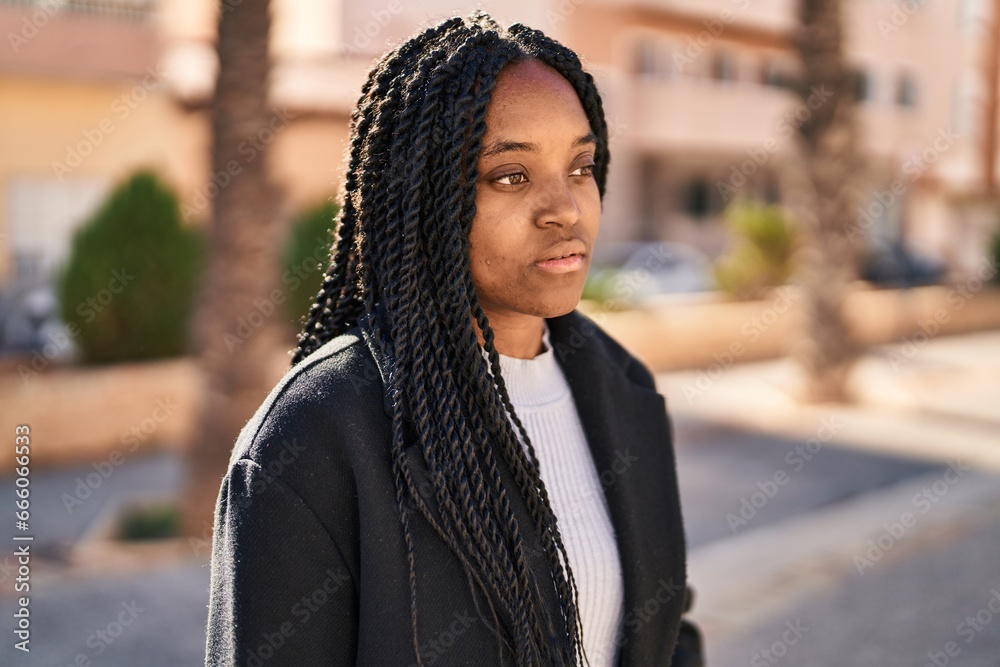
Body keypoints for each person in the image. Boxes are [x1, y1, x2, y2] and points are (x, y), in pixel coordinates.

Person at [205, 11, 703, 667]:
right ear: (421, 198)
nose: (565, 207)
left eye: (580, 167)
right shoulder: (314, 437)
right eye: (510, 176)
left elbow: (666, 632)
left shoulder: (622, 387)